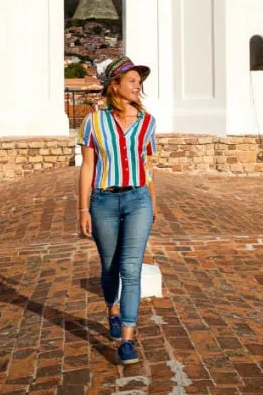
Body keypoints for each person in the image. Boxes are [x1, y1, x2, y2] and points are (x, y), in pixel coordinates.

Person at [77, 57, 157, 365]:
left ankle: (127, 339)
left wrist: (153, 202)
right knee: (110, 267)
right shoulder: (93, 122)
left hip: (138, 200)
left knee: (131, 269)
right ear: (115, 85)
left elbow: (147, 166)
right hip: (104, 202)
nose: (138, 86)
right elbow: (87, 167)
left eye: (139, 82)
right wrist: (83, 208)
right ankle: (112, 308)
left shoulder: (148, 122)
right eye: (132, 81)